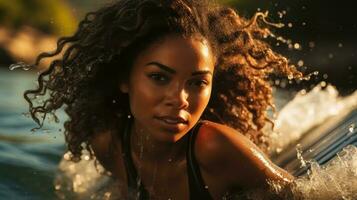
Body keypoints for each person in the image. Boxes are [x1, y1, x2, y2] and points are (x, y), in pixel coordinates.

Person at [24, 0, 302, 199]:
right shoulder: (109, 146)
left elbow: (306, 194)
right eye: (159, 78)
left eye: (197, 83)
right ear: (124, 79)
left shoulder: (216, 148)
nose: (180, 99)